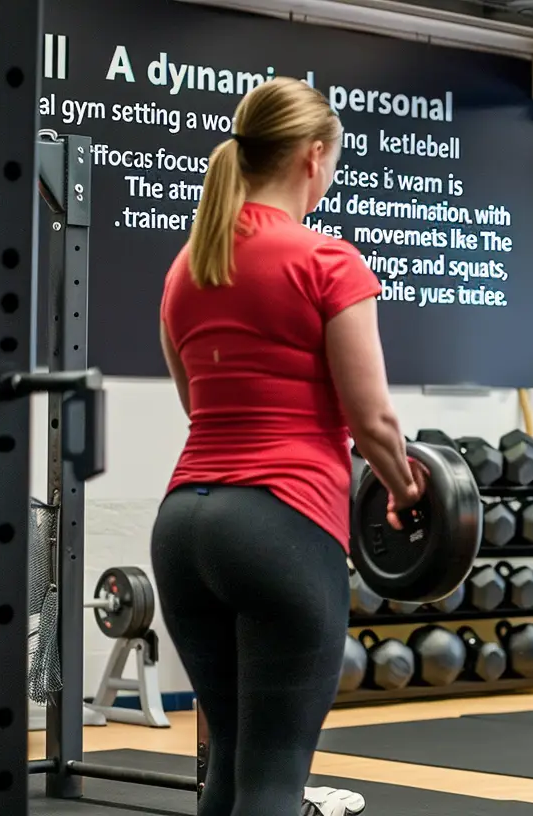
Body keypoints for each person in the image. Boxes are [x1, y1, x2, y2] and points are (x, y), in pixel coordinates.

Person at [155, 77, 423, 816]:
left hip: (184, 526)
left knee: (232, 768)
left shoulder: (189, 267)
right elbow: (371, 423)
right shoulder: (328, 260)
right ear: (312, 157)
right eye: (333, 163)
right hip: (280, 526)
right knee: (274, 777)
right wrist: (405, 492)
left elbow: (197, 406)